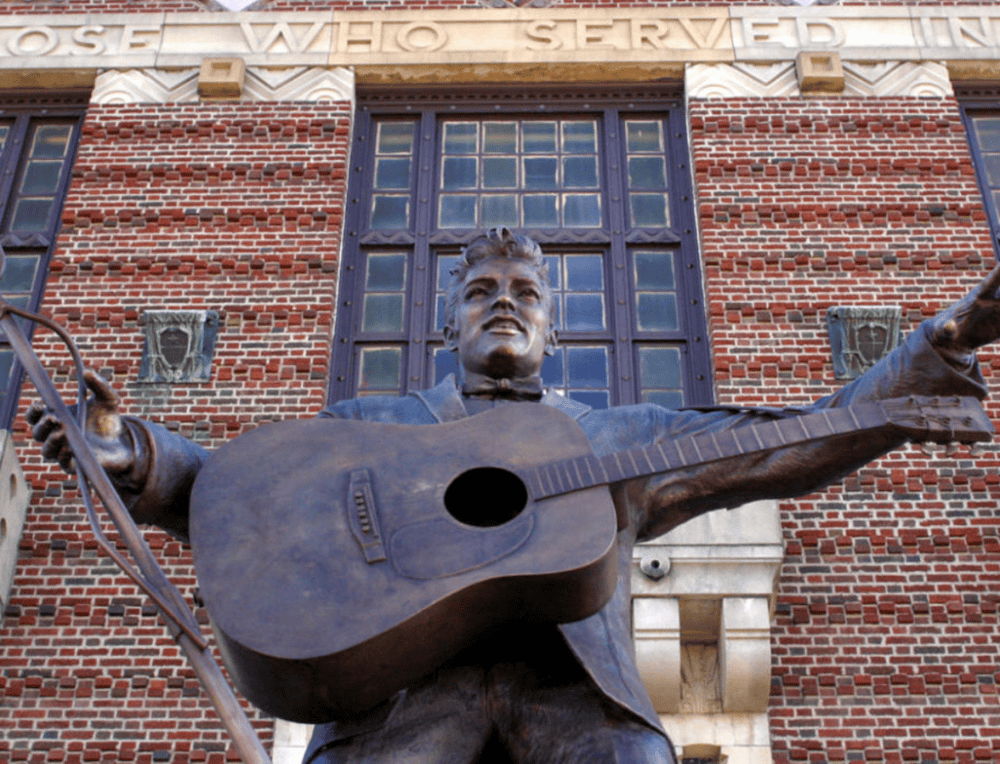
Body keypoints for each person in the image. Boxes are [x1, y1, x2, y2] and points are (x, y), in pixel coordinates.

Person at [28, 228, 1000, 764]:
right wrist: (132, 454)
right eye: (481, 287)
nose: (502, 299)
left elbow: (782, 441)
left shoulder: (610, 436)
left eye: (524, 291)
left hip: (578, 708)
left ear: (550, 328)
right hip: (395, 707)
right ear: (446, 319)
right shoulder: (380, 419)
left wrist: (940, 342)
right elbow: (232, 487)